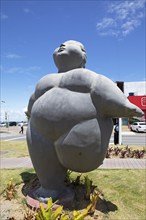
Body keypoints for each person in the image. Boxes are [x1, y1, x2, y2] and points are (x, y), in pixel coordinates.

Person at [26, 40, 143, 203]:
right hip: (39, 133)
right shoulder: (46, 79)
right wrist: (30, 110)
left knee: (75, 152)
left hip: (78, 132)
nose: (62, 46)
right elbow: (33, 100)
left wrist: (125, 106)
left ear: (83, 56)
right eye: (60, 45)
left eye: (68, 44)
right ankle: (50, 187)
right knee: (44, 162)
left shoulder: (87, 76)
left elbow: (103, 88)